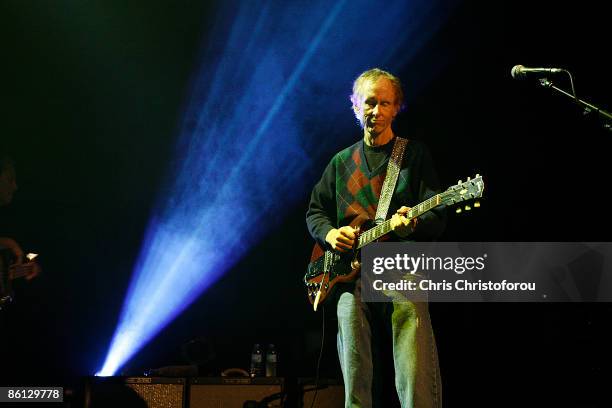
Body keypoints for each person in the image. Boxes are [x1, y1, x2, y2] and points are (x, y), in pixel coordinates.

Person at [306, 68, 446, 407]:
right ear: (355, 106)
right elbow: (315, 212)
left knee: (414, 372)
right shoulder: (340, 162)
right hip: (347, 276)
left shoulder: (413, 156)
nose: (377, 111)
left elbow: (436, 215)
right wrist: (330, 232)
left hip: (400, 268)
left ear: (397, 108)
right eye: (370, 103)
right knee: (355, 378)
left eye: (385, 103)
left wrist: (410, 225)